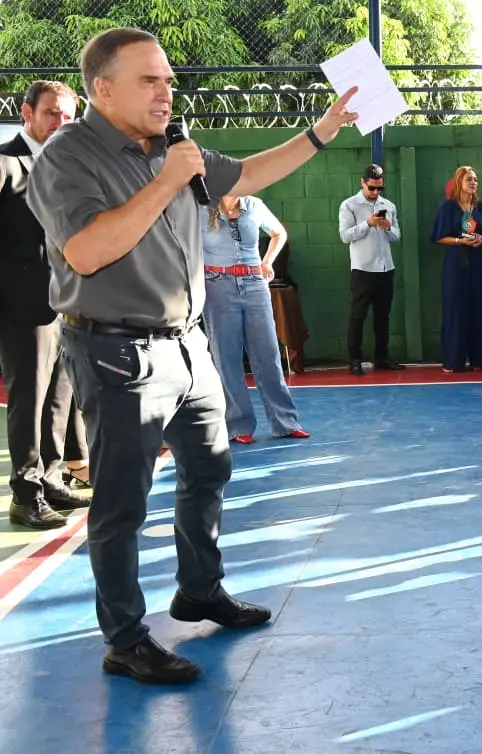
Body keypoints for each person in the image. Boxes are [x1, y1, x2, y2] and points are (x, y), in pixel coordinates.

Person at [25, 27, 359, 684]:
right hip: (117, 351)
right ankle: (125, 639)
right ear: (103, 89)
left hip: (187, 345)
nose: (166, 92)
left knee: (209, 470)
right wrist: (168, 179)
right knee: (122, 503)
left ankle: (199, 590)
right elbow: (87, 251)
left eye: (169, 80)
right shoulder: (69, 156)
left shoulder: (172, 145)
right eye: (149, 80)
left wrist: (321, 131)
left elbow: (249, 173)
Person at [0, 79, 88, 529]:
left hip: (66, 302)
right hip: (22, 307)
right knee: (29, 400)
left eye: (68, 116)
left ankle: (52, 479)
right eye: (52, 112)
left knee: (59, 398)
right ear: (27, 113)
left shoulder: (68, 166)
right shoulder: (5, 162)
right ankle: (25, 494)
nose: (60, 122)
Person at [200, 194, 310, 444]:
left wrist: (267, 261)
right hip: (217, 285)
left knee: (268, 354)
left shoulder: (254, 205)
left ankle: (285, 422)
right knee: (227, 357)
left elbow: (278, 233)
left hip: (254, 283)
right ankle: (238, 426)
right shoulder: (200, 207)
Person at [429, 165, 482, 373]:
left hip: (478, 265)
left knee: (479, 311)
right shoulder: (447, 207)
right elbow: (438, 237)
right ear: (459, 182)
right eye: (469, 179)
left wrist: (480, 238)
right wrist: (460, 241)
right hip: (455, 266)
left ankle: (479, 359)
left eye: (475, 179)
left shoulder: (481, 207)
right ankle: (453, 361)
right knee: (455, 311)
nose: (473, 183)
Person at [338, 163, 403, 375]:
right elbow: (345, 236)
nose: (376, 192)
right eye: (372, 188)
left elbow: (397, 236)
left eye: (379, 188)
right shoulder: (349, 205)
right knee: (358, 316)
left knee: (383, 316)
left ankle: (382, 357)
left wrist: (387, 227)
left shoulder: (388, 206)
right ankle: (354, 359)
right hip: (363, 269)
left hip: (386, 268)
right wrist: (368, 223)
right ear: (363, 183)